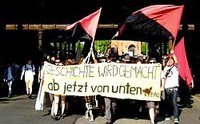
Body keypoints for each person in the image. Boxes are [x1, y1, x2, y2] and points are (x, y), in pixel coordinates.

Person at [161, 49, 180, 124]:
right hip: (167, 88)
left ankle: (176, 118)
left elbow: (176, 61)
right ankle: (167, 114)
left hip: (174, 88)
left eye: (171, 61)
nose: (170, 62)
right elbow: (163, 78)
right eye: (169, 61)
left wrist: (173, 54)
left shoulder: (176, 68)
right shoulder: (165, 69)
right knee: (167, 102)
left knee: (174, 102)